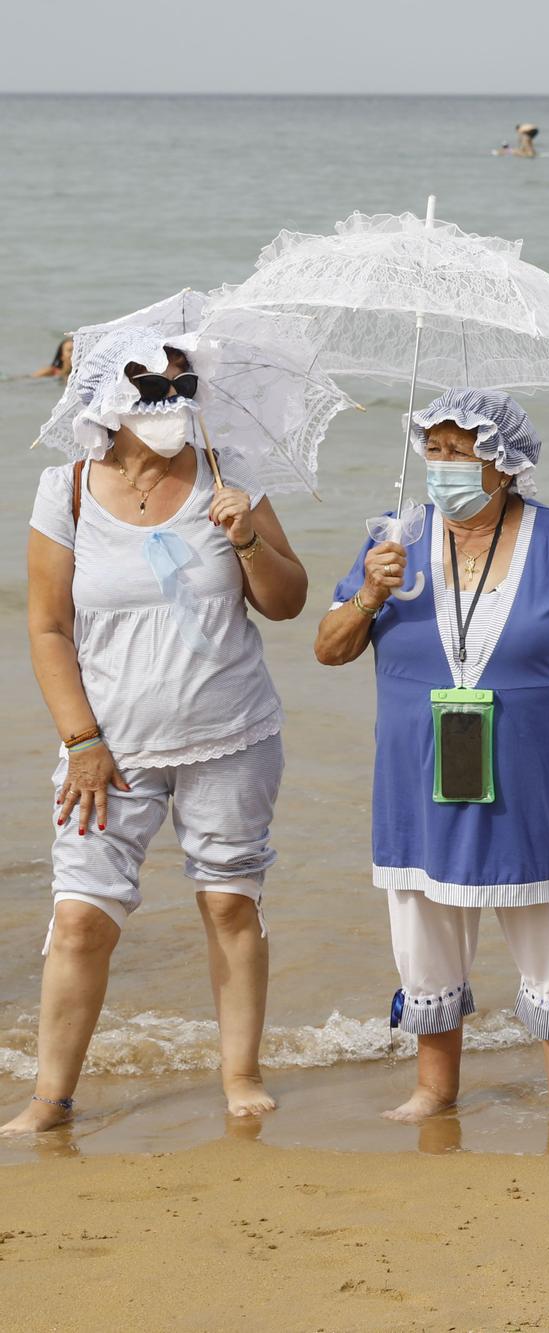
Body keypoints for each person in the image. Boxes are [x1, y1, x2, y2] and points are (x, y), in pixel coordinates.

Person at [315, 388, 549, 1124]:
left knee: (546, 916)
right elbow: (328, 648)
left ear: (504, 463)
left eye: (459, 452)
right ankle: (434, 1087)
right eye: (433, 449)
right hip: (417, 779)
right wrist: (368, 591)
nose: (442, 466)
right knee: (422, 916)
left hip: (529, 778)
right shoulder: (392, 540)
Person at [5, 328, 308, 1134]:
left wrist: (244, 535)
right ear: (108, 397)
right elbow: (46, 628)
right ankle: (49, 1097)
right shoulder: (64, 489)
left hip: (231, 736)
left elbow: (287, 602)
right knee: (80, 917)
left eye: (181, 387)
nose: (170, 402)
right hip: (106, 750)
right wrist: (81, 740)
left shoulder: (231, 476)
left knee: (230, 904)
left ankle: (240, 1075)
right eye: (151, 388)